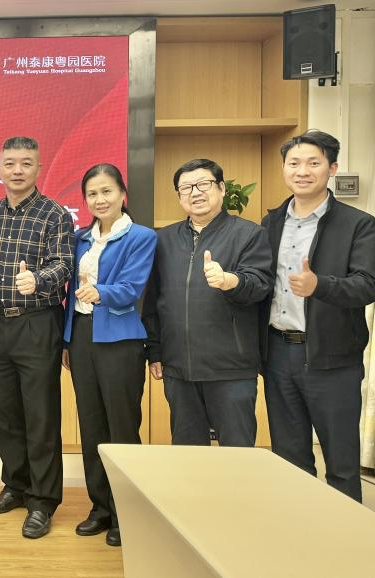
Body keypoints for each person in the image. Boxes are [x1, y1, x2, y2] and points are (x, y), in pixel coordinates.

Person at [260, 130, 375, 502]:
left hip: (333, 358)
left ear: (332, 168)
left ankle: (344, 534)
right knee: (289, 459)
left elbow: (367, 285)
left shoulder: (358, 224)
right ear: (284, 168)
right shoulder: (271, 222)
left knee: (340, 462)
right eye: (294, 163)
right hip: (279, 354)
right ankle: (299, 529)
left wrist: (319, 285)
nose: (302, 171)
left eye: (313, 163)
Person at [143, 158, 273, 448]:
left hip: (231, 368)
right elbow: (152, 301)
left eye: (203, 184)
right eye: (186, 188)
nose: (195, 192)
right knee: (188, 453)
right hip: (178, 369)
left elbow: (260, 285)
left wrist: (230, 281)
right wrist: (155, 350)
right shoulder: (163, 239)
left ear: (222, 188)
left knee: (237, 452)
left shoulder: (249, 234)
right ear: (179, 196)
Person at [0, 137, 73, 539]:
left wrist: (38, 279)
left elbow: (64, 263)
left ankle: (42, 501)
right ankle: (15, 485)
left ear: (38, 168)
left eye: (26, 163)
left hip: (37, 321)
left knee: (40, 415)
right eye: (10, 163)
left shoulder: (55, 213)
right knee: (3, 412)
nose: (17, 170)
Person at [62, 164, 155, 547]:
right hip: (82, 337)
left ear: (122, 194)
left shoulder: (142, 237)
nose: (100, 200)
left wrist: (101, 292)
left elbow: (132, 287)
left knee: (122, 429)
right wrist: (67, 340)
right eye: (92, 194)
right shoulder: (79, 238)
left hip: (120, 340)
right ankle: (100, 507)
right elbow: (70, 292)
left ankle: (125, 513)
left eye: (107, 191)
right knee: (92, 427)